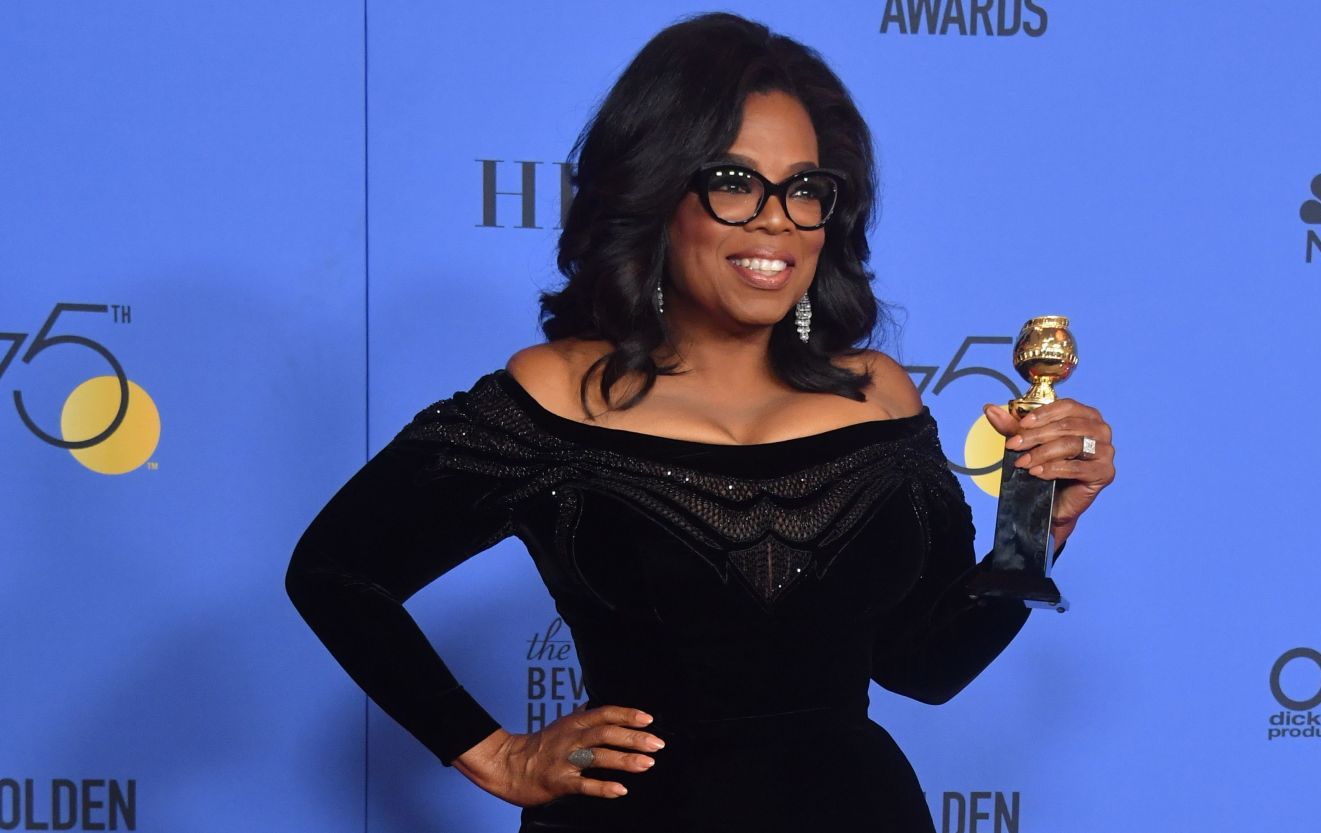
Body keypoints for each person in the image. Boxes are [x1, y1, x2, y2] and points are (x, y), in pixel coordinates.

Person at [285, 12, 1115, 833]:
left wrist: (1036, 522)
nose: (775, 220)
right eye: (733, 182)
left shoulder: (880, 394)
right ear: (656, 192)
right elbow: (337, 570)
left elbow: (926, 666)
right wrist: (492, 751)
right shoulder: (555, 396)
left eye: (804, 189)